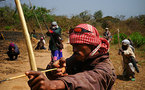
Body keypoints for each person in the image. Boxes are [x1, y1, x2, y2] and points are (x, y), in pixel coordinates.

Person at [25, 24, 116, 90]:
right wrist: (53, 69)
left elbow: (89, 80)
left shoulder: (106, 68)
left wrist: (55, 85)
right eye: (73, 46)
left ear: (92, 46)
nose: (74, 50)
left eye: (79, 46)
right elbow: (51, 74)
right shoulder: (78, 58)